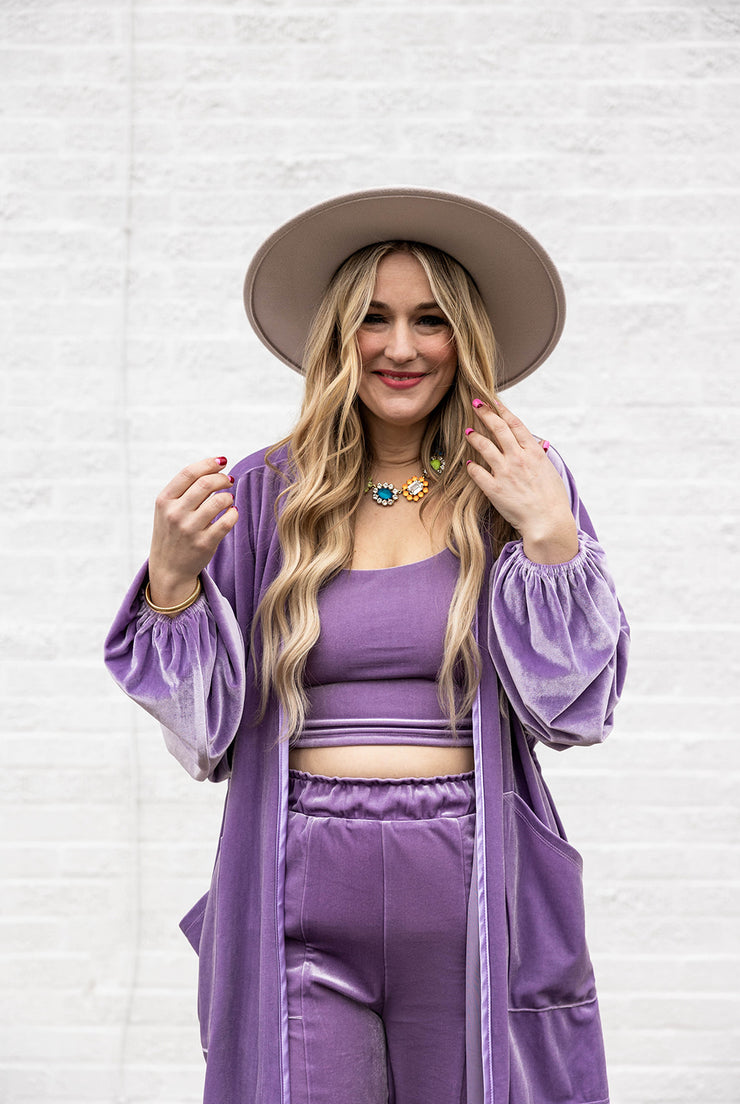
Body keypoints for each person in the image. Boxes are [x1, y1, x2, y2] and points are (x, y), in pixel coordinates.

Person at [105, 188, 629, 1104]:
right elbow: (204, 737)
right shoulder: (261, 494)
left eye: (430, 320)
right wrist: (174, 583)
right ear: (335, 338)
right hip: (298, 878)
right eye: (372, 319)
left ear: (465, 337)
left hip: (471, 881)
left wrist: (549, 536)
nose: (400, 347)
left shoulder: (517, 482)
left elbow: (574, 711)